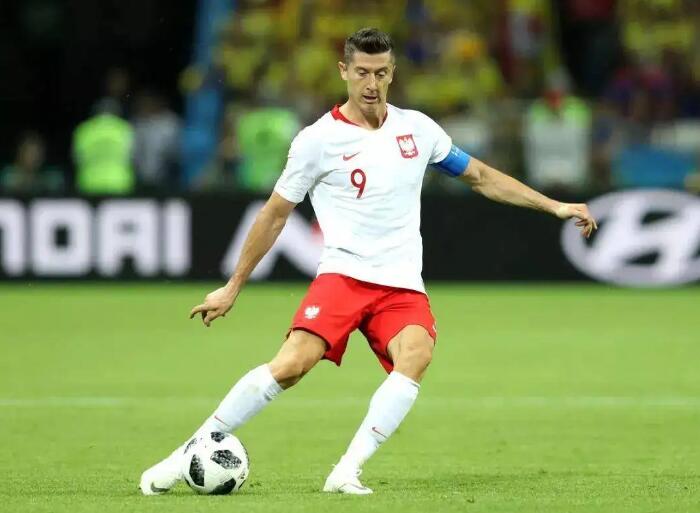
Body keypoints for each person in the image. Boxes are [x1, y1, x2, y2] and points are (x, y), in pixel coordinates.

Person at [140, 28, 597, 496]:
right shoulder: (317, 140)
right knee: (292, 365)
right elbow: (274, 214)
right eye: (361, 72)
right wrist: (233, 285)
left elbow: (480, 176)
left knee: (416, 354)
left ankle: (346, 470)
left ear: (392, 73)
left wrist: (555, 206)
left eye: (380, 73)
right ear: (344, 71)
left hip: (400, 283)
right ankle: (184, 455)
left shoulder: (418, 130)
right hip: (343, 276)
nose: (371, 83)